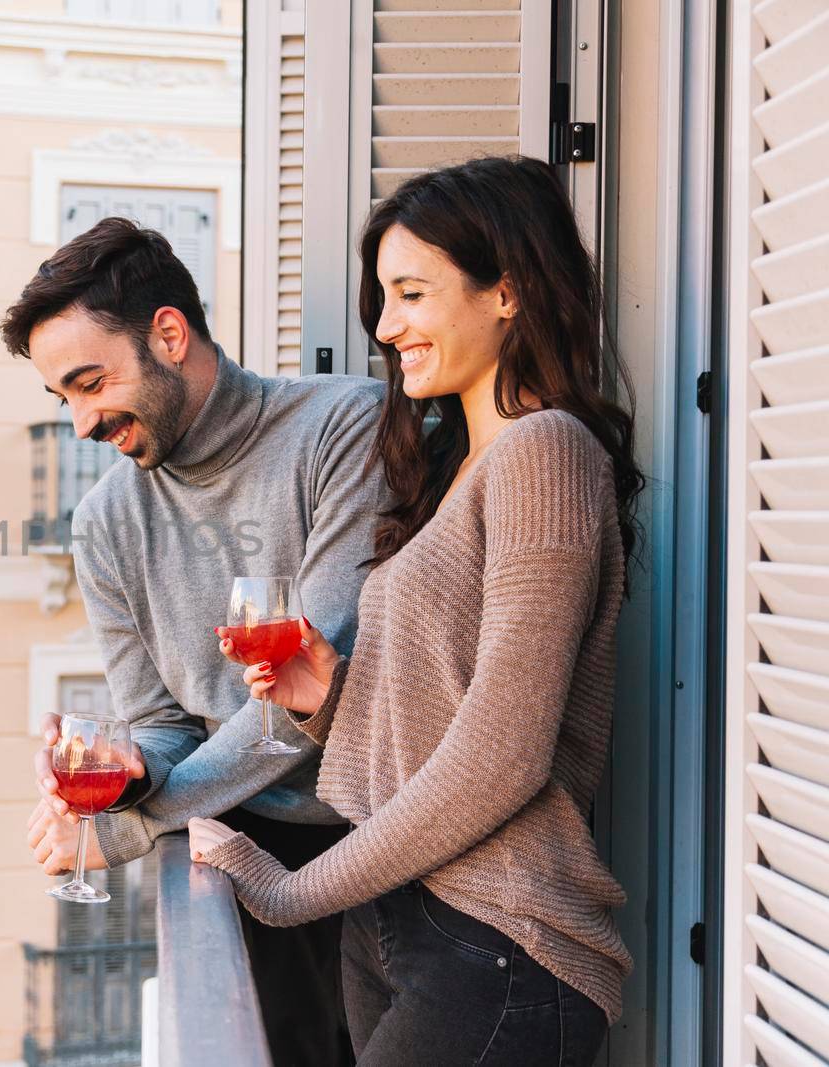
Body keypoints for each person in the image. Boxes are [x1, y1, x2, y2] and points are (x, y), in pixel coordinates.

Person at [190, 155, 643, 1066]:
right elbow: (453, 715)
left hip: (499, 937)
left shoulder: (545, 453)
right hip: (404, 915)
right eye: (384, 298)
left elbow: (505, 752)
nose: (387, 325)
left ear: (506, 292)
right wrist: (334, 699)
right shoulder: (461, 471)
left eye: (411, 293)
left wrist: (286, 891)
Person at [3, 216, 390, 1065]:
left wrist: (123, 829)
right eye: (61, 396)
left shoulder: (343, 427)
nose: (79, 423)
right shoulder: (104, 522)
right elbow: (158, 720)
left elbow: (305, 695)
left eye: (89, 382)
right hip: (242, 855)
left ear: (168, 335)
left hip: (386, 845)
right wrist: (129, 770)